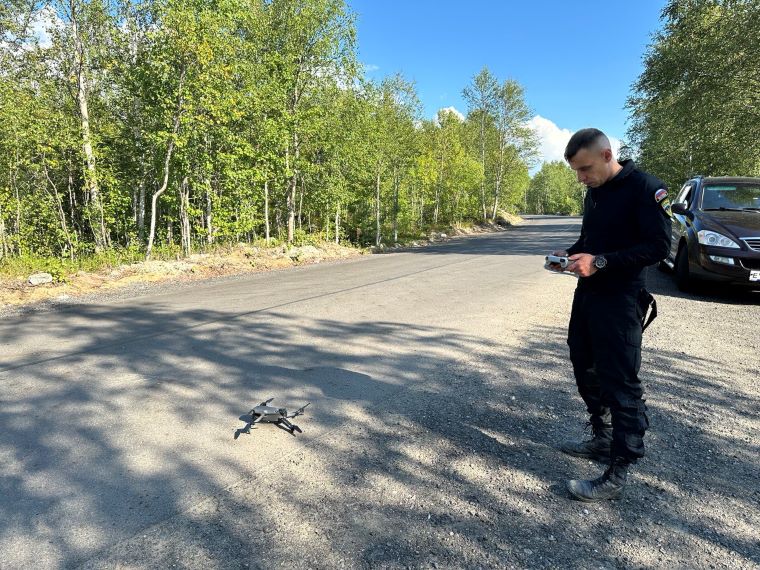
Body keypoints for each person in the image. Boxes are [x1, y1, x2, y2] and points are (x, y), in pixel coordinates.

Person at [551, 128, 671, 502]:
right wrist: (570, 255)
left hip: (621, 299)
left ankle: (618, 471)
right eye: (576, 171)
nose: (581, 177)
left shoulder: (645, 188)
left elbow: (658, 246)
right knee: (584, 365)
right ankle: (602, 438)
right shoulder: (595, 192)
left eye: (585, 168)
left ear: (607, 155)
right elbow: (591, 240)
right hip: (588, 296)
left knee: (621, 382)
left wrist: (600, 262)